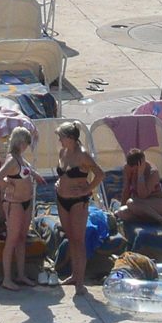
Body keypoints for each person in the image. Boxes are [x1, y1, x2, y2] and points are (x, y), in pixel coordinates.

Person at [55, 121, 105, 298]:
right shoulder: (63, 152)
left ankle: (81, 282)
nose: (59, 140)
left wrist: (87, 189)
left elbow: (100, 174)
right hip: (62, 199)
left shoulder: (83, 155)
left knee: (79, 240)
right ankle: (74, 276)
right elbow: (63, 174)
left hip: (78, 201)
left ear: (71, 138)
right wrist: (59, 182)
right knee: (70, 239)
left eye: (61, 137)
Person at [0, 128, 44, 291]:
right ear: (19, 142)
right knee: (12, 240)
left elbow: (27, 171)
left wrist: (35, 175)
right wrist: (9, 184)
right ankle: (7, 278)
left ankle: (21, 274)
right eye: (25, 143)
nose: (26, 146)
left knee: (22, 238)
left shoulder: (20, 159)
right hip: (14, 203)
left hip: (26, 202)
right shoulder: (11, 160)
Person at [114, 148, 162, 227]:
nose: (133, 169)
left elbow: (143, 195)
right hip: (137, 205)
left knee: (131, 203)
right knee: (121, 212)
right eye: (131, 166)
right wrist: (121, 209)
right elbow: (126, 189)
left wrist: (140, 174)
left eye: (135, 167)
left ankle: (161, 220)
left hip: (156, 204)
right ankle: (152, 221)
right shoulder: (128, 168)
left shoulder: (153, 172)